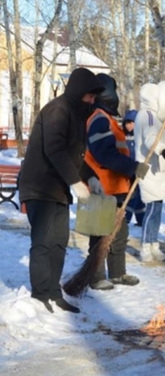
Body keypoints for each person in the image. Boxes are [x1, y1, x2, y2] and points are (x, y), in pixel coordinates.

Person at [18, 67, 105, 313]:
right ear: (79, 92)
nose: (92, 101)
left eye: (94, 97)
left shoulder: (77, 116)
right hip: (40, 186)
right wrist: (76, 183)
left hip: (58, 189)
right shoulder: (58, 110)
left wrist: (90, 178)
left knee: (59, 242)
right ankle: (40, 294)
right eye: (89, 96)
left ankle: (54, 292)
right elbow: (54, 149)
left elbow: (75, 155)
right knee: (43, 242)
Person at [84, 73, 149, 290]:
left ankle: (118, 273)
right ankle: (95, 276)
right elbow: (104, 154)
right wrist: (132, 167)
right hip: (101, 187)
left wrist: (130, 174)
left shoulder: (109, 119)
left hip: (117, 188)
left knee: (119, 234)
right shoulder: (99, 119)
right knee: (100, 235)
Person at [134, 81, 165, 263]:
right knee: (152, 209)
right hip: (150, 169)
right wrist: (162, 149)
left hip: (155, 170)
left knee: (157, 209)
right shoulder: (148, 116)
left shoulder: (148, 115)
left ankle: (154, 243)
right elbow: (150, 138)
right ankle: (146, 245)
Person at [123, 110, 146, 226]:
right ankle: (126, 217)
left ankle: (140, 218)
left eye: (132, 123)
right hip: (126, 170)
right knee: (132, 194)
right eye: (127, 123)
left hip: (138, 169)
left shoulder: (141, 137)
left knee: (138, 195)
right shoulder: (122, 137)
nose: (129, 126)